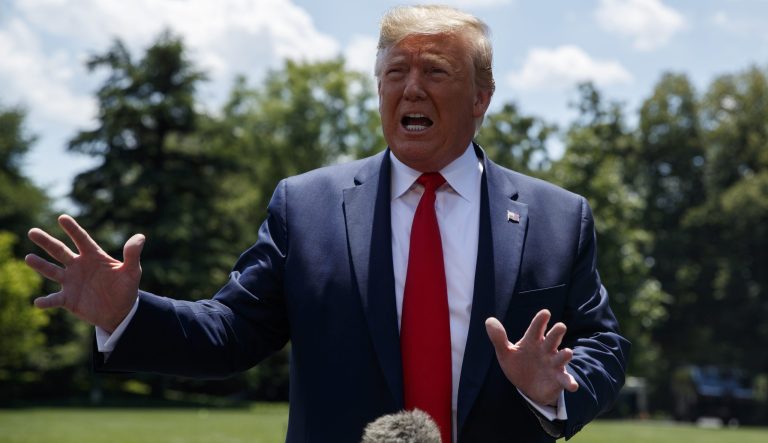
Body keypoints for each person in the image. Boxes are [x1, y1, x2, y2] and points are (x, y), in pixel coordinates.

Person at [25, 4, 629, 443]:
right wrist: (126, 315)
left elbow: (604, 343)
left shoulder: (557, 217)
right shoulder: (305, 207)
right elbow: (232, 332)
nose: (410, 87)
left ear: (481, 96)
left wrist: (556, 385)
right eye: (395, 72)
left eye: (436, 71)